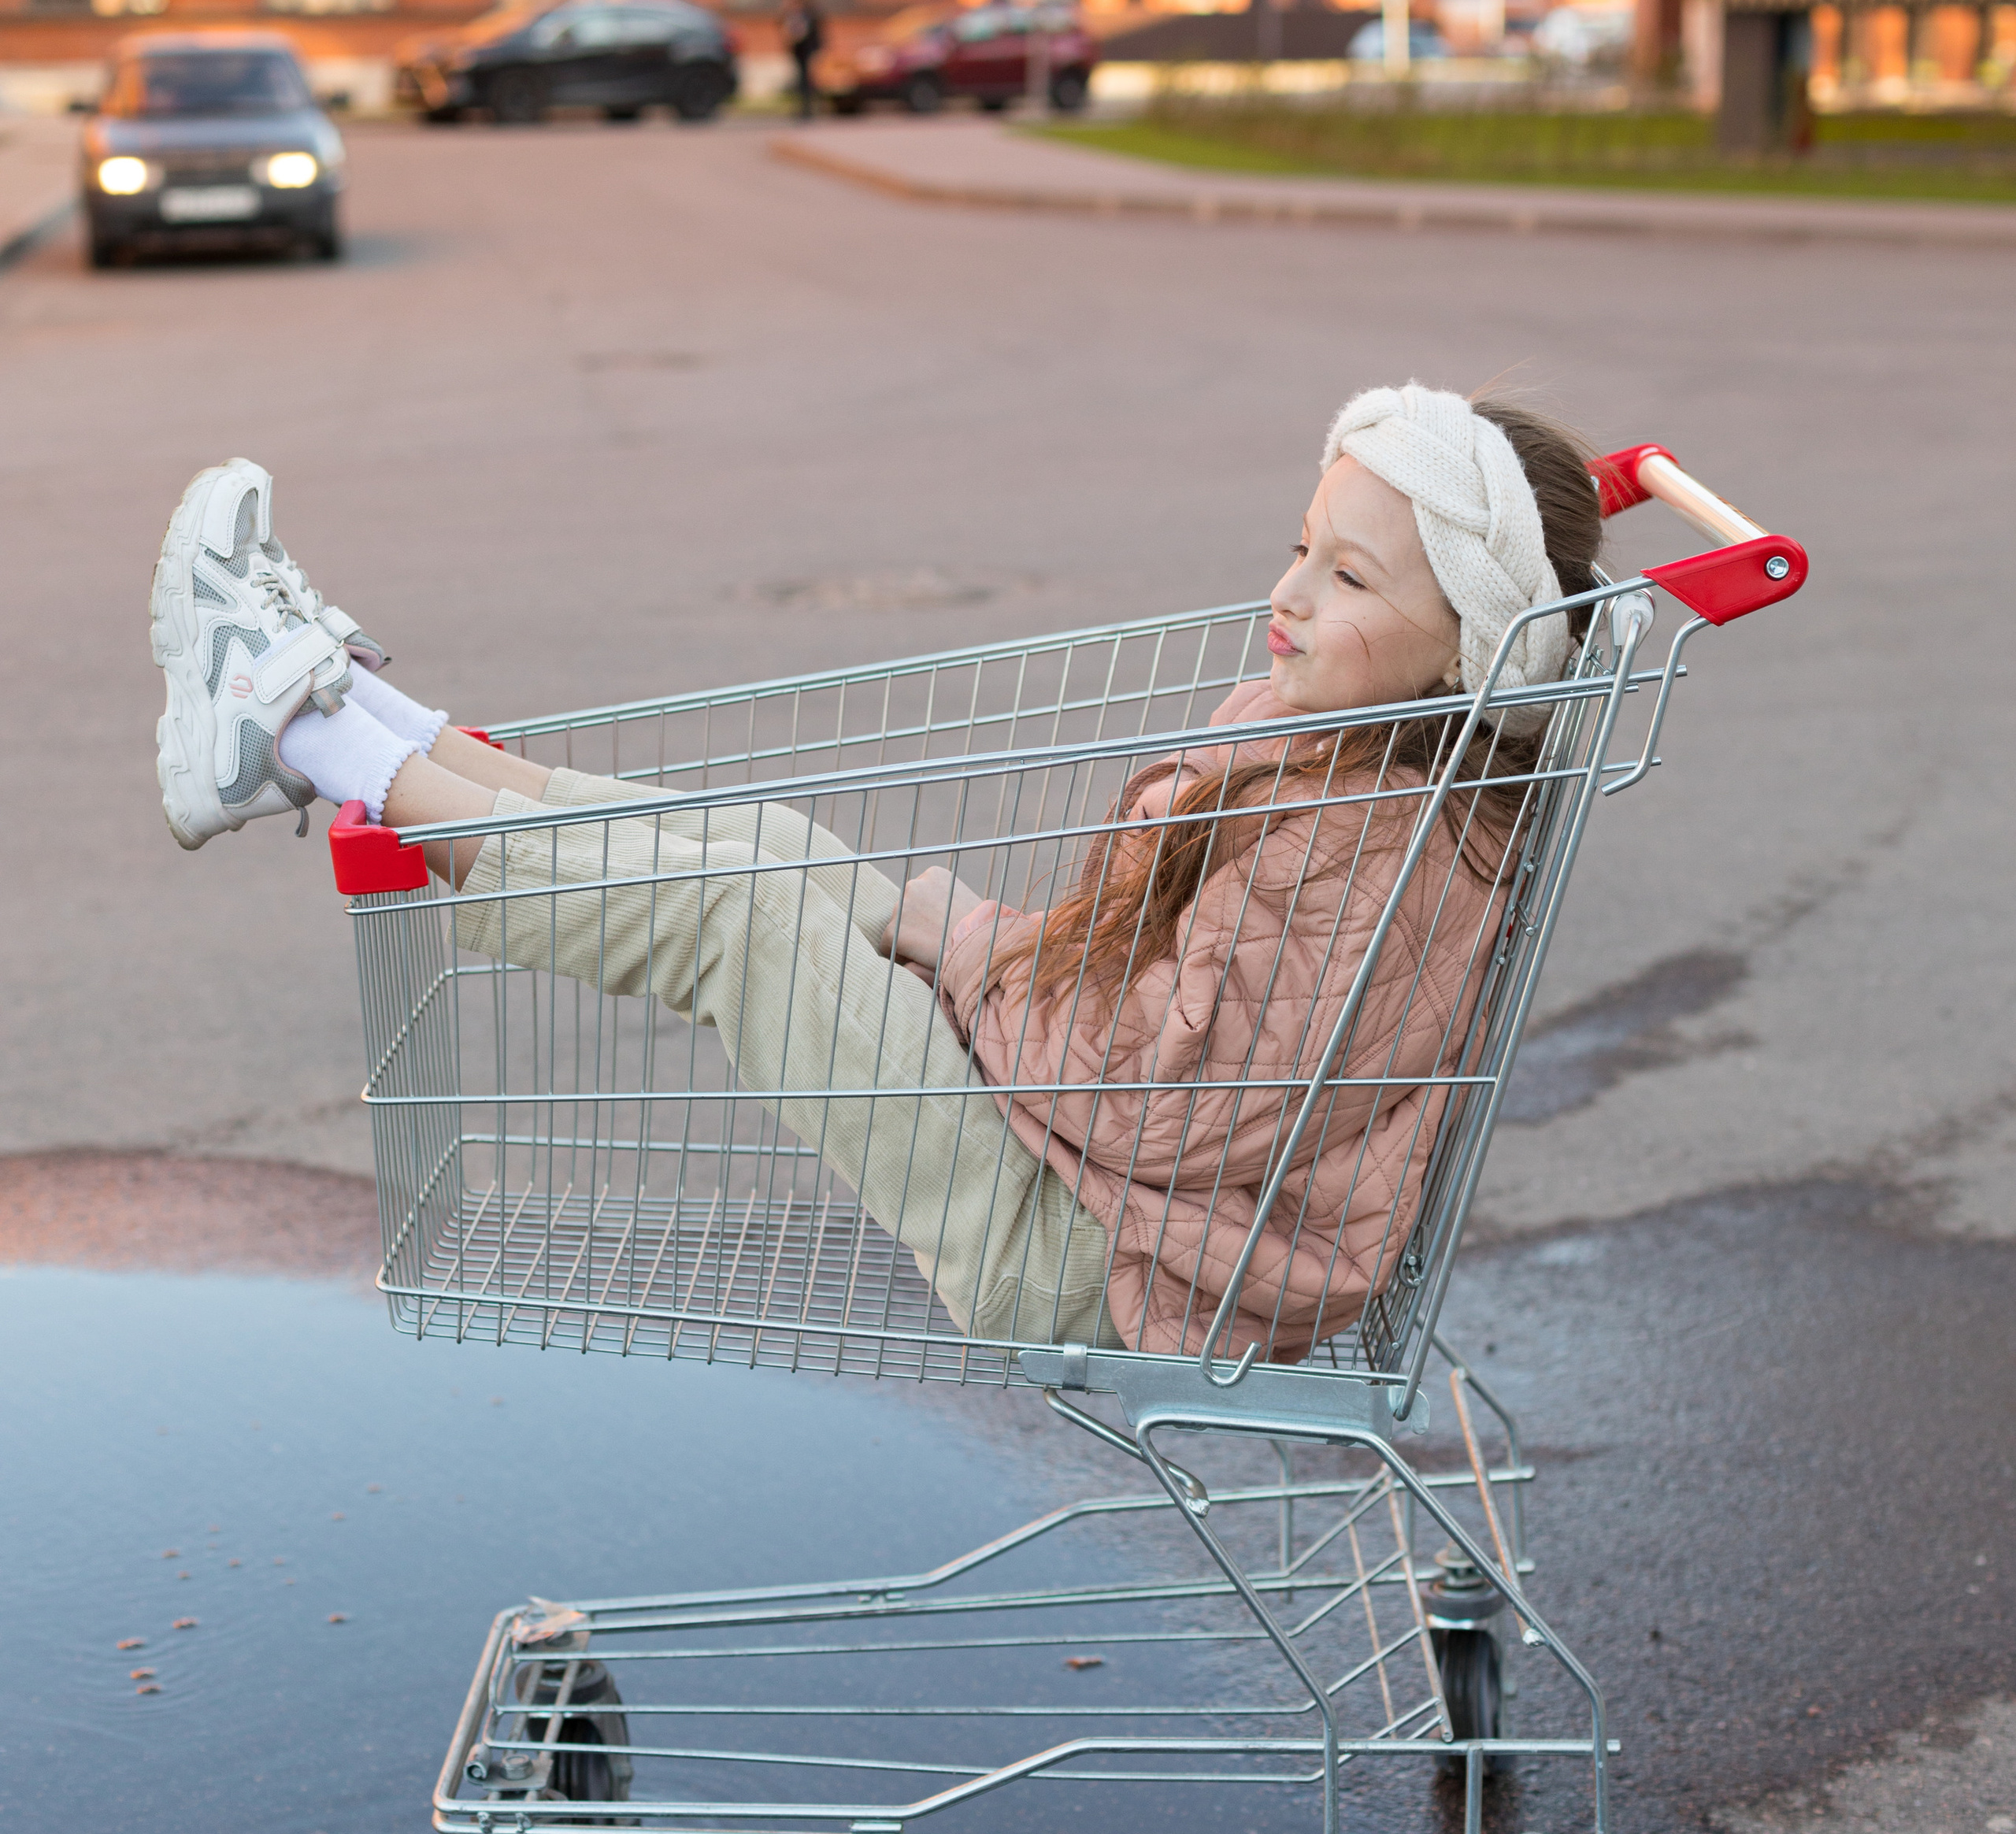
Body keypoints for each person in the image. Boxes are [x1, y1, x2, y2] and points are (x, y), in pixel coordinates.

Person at [150, 387, 1600, 1359]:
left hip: (1100, 1255)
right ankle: (352, 729)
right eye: (1302, 546)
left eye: (1350, 580)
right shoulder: (1350, 769)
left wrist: (967, 949)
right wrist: (967, 940)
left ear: (1480, 648)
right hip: (1130, 1205)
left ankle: (306, 724)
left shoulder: (1368, 843)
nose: (1286, 594)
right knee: (782, 859)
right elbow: (1189, 1047)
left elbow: (1170, 1094)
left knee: (750, 915)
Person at [778, 0, 825, 118]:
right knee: (801, 79)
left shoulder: (807, 14)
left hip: (807, 50)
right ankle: (804, 107)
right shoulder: (791, 14)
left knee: (806, 79)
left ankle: (808, 108)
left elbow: (807, 33)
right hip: (798, 51)